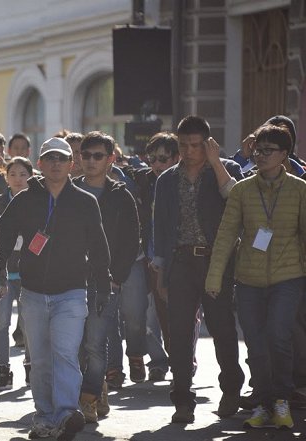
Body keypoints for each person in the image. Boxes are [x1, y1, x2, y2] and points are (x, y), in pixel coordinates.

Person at [0, 137, 111, 441]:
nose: (57, 164)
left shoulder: (86, 202)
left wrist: (102, 287)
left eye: (62, 159)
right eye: (51, 159)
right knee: (41, 359)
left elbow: (99, 248)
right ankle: (44, 417)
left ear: (71, 165)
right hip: (32, 293)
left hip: (72, 293)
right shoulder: (23, 200)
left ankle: (64, 414)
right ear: (41, 165)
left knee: (65, 354)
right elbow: (2, 238)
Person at [206, 124, 306, 430]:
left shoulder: (300, 189)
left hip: (288, 276)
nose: (260, 156)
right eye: (257, 150)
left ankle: (281, 400)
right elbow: (226, 235)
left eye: (268, 151)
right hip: (247, 278)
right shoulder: (242, 189)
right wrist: (214, 277)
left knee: (279, 334)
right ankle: (262, 401)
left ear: (284, 155)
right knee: (256, 342)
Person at [153, 115, 245, 424]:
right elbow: (161, 228)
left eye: (196, 145)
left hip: (216, 261)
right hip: (180, 262)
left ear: (207, 143)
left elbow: (235, 201)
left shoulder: (226, 170)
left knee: (222, 328)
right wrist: (162, 274)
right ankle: (182, 400)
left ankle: (232, 388)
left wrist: (216, 161)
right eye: (183, 145)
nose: (189, 151)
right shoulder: (166, 179)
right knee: (179, 335)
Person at [72, 131, 140, 423]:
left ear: (111, 159)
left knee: (96, 343)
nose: (90, 161)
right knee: (75, 345)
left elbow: (131, 240)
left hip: (106, 282)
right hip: (71, 281)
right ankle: (95, 387)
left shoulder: (120, 195)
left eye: (97, 156)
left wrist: (117, 277)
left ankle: (88, 399)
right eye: (85, 155)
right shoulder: (69, 190)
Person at [131, 132, 180, 383]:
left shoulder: (184, 181)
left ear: (176, 157)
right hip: (148, 258)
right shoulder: (143, 180)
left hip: (179, 260)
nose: (156, 165)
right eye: (152, 159)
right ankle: (158, 362)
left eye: (162, 159)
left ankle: (182, 363)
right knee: (150, 314)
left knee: (180, 316)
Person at [0, 156, 34, 387]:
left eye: (23, 174)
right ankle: (3, 369)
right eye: (12, 174)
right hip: (4, 271)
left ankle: (30, 366)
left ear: (31, 176)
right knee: (1, 323)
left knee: (29, 322)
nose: (18, 179)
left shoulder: (37, 201)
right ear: (5, 177)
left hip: (29, 272)